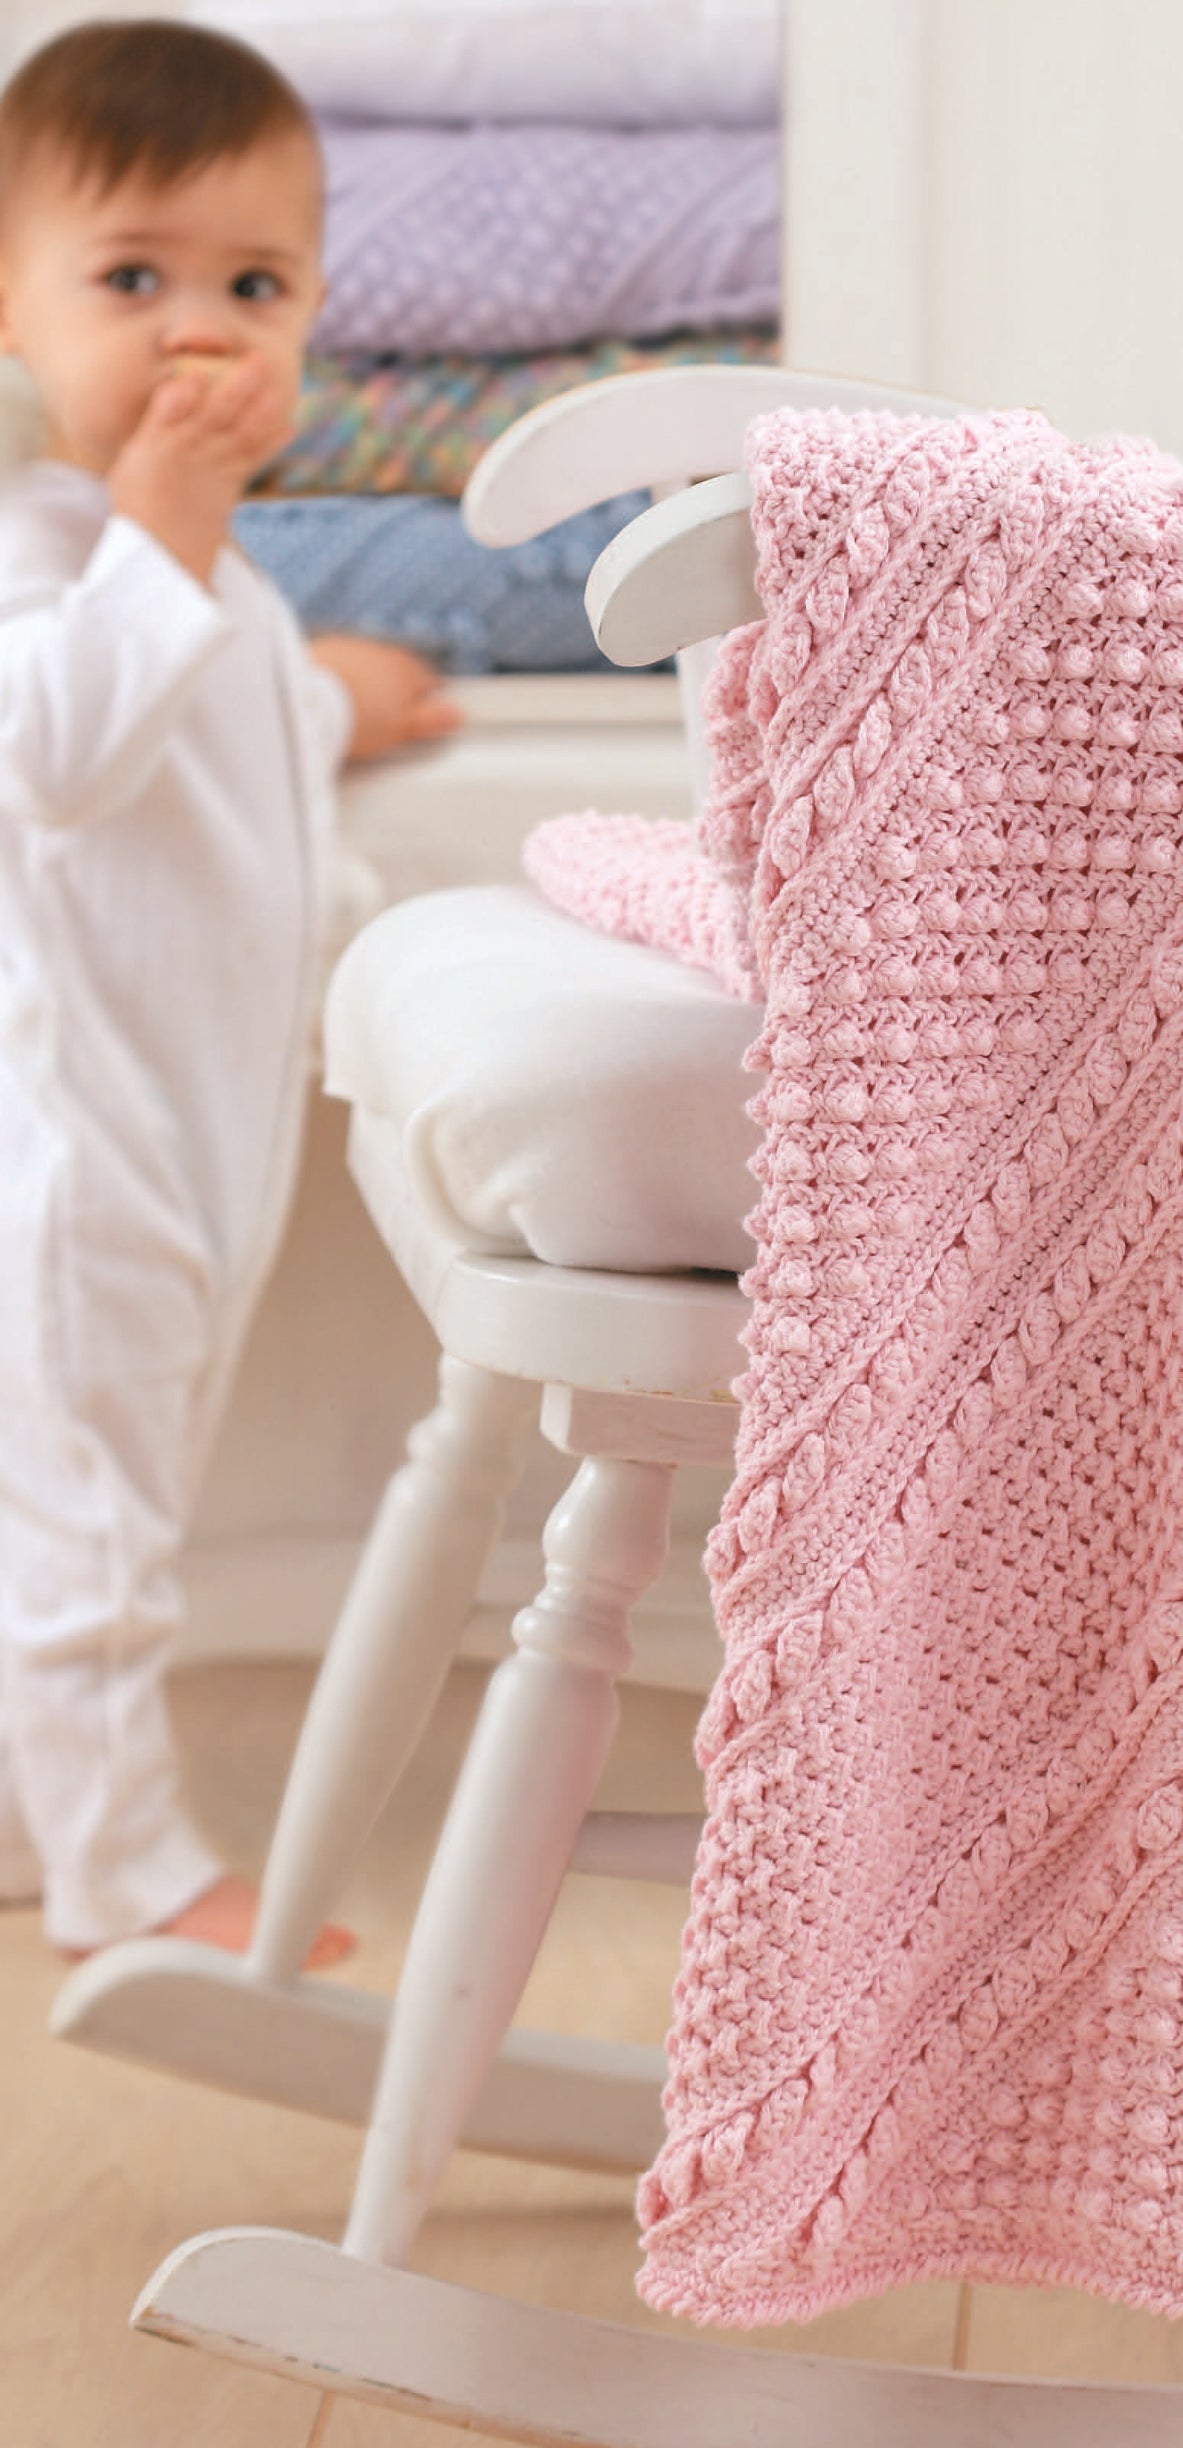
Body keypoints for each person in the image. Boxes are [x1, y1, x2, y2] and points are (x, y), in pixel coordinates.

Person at [0, 19, 461, 1957]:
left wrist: (327, 693)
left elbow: (225, 726)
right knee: (87, 1534)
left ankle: (39, 1824)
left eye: (253, 285)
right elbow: (66, 747)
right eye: (133, 280)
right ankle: (126, 1874)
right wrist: (171, 534)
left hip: (193, 1152)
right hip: (63, 1155)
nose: (200, 331)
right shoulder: (39, 559)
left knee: (104, 1504)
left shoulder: (214, 585)